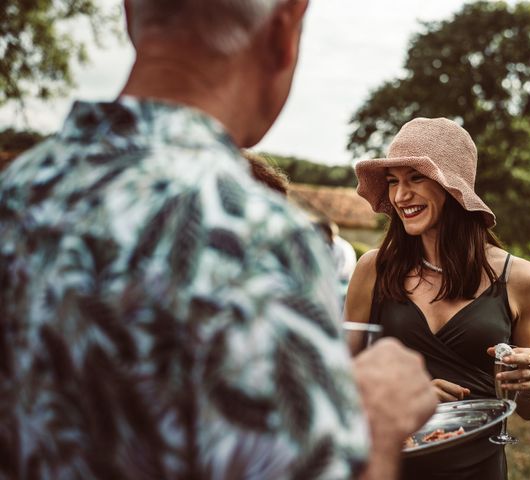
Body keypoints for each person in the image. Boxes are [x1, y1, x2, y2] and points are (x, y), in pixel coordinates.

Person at [0, 2, 437, 479]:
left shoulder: (16, 194)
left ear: (130, 16)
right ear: (285, 26)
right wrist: (377, 424)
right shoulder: (260, 241)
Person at [345, 117, 530, 479]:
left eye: (415, 178)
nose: (399, 196)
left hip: (478, 469)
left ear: (452, 187)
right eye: (393, 182)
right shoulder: (374, 269)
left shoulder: (520, 279)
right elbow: (336, 381)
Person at [315, 218, 358, 308]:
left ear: (327, 233)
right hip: (335, 283)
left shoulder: (342, 248)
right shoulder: (329, 246)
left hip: (343, 285)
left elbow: (340, 272)